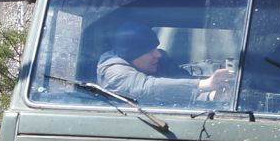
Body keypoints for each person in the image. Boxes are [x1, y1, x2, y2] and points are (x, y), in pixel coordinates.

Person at [95, 21, 233, 103]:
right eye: (149, 51)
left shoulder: (159, 61)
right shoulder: (112, 70)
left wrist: (211, 96)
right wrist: (205, 84)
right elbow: (145, 89)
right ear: (133, 55)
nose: (158, 54)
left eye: (156, 48)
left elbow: (179, 82)